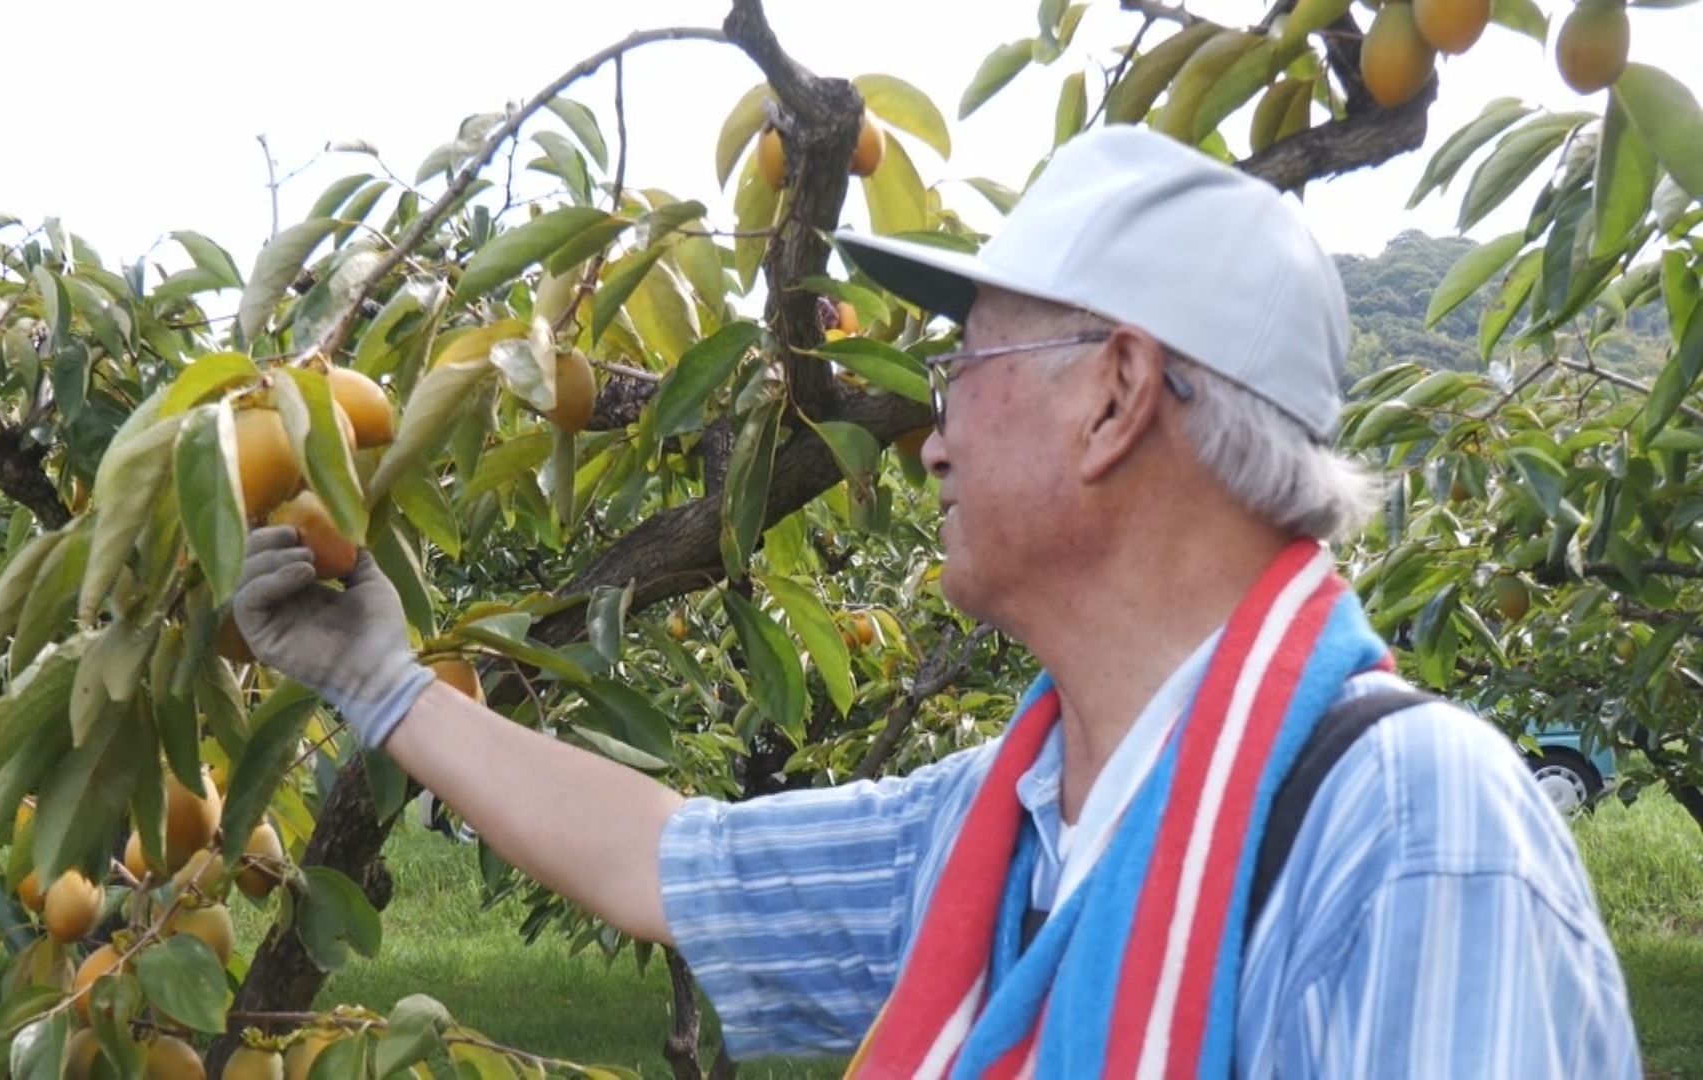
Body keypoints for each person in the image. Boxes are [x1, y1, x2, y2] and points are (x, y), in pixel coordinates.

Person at [233, 127, 1640, 1077]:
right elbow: (670, 862)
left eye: (967, 364)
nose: (932, 432)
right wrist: (383, 682)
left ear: (1115, 395)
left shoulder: (1409, 831)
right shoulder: (1014, 820)